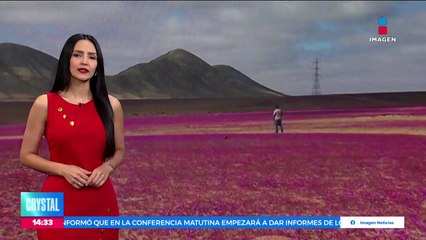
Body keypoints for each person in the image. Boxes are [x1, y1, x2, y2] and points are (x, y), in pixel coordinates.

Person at [20, 33, 125, 239]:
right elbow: (25, 155)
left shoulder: (112, 105)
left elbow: (120, 150)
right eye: (78, 55)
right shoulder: (43, 103)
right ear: (67, 60)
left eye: (92, 57)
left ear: (98, 67)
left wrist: (108, 167)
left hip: (100, 197)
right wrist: (63, 169)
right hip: (54, 199)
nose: (85, 61)